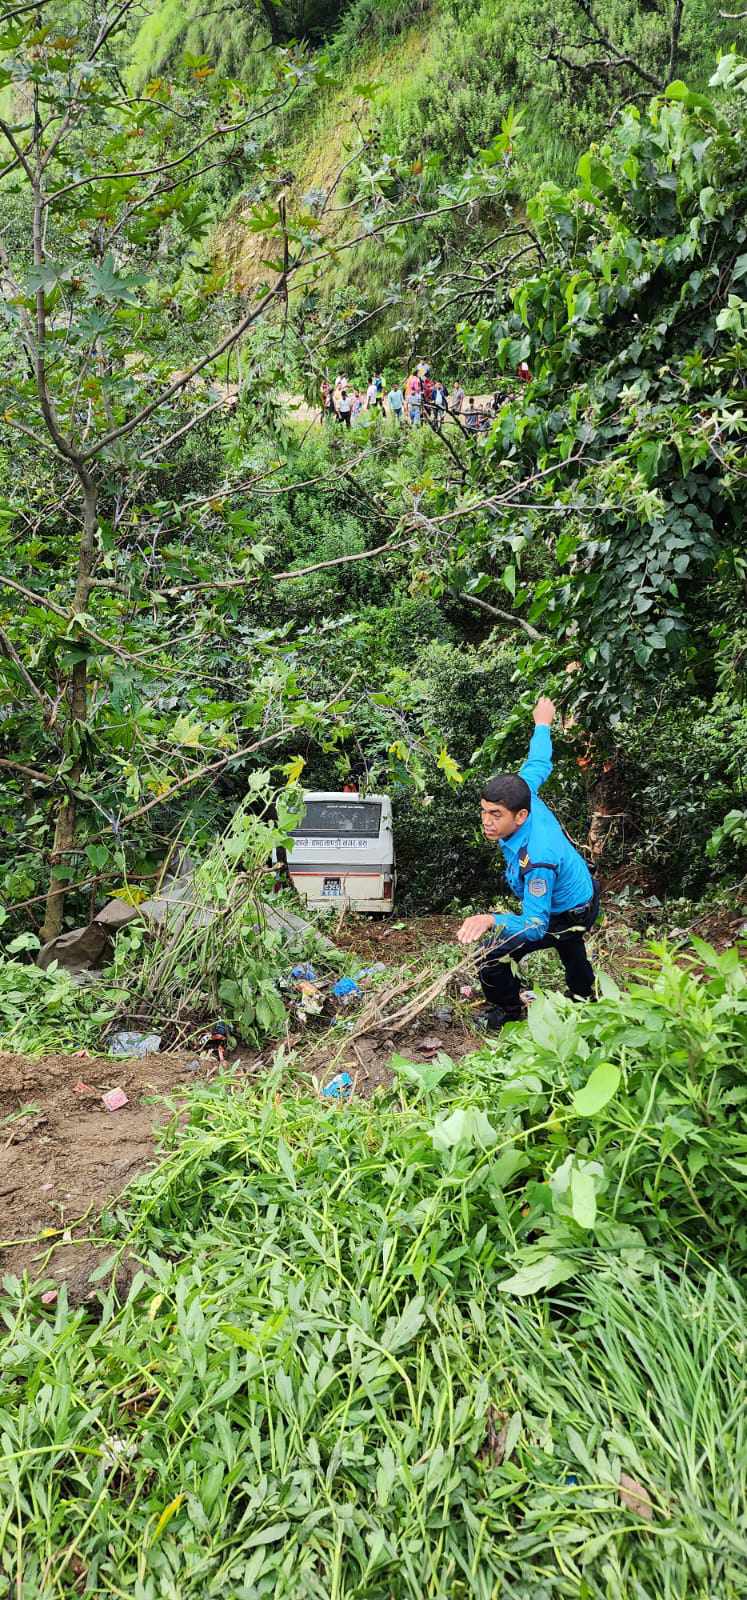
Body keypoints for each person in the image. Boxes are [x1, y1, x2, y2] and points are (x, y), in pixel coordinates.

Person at [457, 697, 600, 1032]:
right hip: (582, 895)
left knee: (490, 956)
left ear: (520, 816)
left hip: (567, 911)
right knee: (570, 944)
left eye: (496, 815)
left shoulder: (538, 859)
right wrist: (542, 723)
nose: (486, 822)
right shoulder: (524, 793)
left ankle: (508, 1010)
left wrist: (490, 918)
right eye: (484, 811)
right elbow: (538, 762)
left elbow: (535, 925)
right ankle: (585, 998)